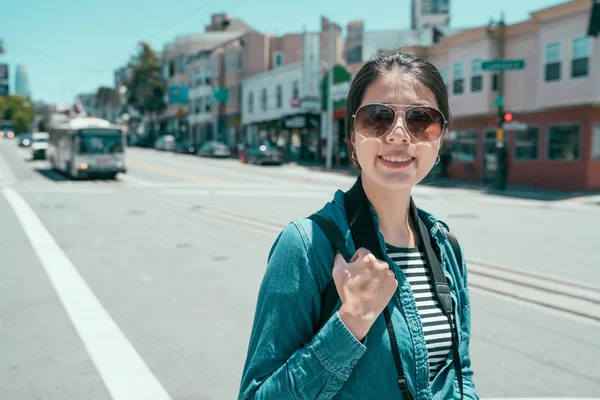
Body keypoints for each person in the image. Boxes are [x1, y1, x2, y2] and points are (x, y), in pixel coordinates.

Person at [239, 50, 478, 400]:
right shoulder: (307, 246)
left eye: (421, 119)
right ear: (352, 136)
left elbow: (461, 374)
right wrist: (351, 323)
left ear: (439, 138)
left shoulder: (445, 245)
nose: (398, 135)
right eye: (378, 118)